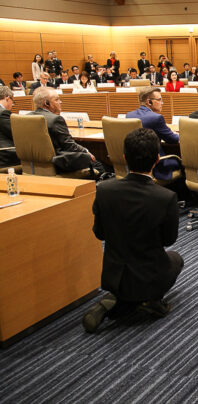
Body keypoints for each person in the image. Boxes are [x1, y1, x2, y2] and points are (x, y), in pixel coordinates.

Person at [83, 128, 184, 333]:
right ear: (157, 159)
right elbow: (168, 240)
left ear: (124, 158)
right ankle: (149, 299)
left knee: (128, 274)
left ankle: (117, 299)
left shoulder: (104, 190)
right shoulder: (165, 197)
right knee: (176, 258)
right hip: (150, 276)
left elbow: (100, 233)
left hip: (114, 276)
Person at [30, 87, 105, 178]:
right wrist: (86, 151)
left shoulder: (27, 117)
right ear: (46, 103)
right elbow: (69, 146)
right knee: (99, 165)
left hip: (34, 166)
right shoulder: (55, 119)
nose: (60, 102)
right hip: (59, 164)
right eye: (57, 99)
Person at [126, 86, 181, 181]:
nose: (162, 103)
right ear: (149, 102)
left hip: (134, 165)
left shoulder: (129, 115)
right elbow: (173, 140)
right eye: (159, 100)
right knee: (183, 163)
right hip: (155, 166)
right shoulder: (156, 118)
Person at [0, 86, 21, 168]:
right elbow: (15, 134)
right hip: (5, 155)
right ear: (7, 98)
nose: (12, 105)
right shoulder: (3, 113)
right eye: (13, 102)